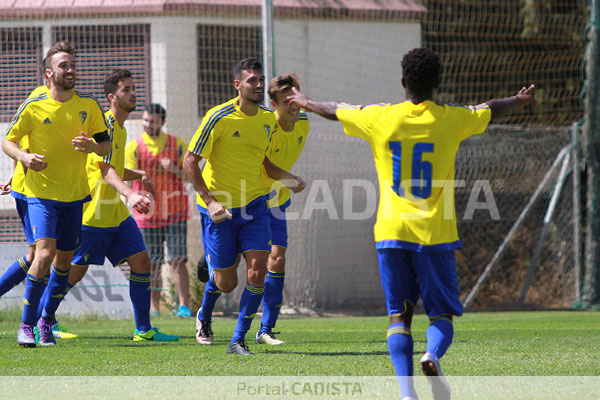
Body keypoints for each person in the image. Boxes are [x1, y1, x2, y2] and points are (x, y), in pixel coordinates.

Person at [287, 48, 537, 400]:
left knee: (398, 318)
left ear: (403, 82)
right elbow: (490, 107)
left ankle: (407, 393)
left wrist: (304, 100)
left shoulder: (380, 117)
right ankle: (432, 355)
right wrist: (518, 99)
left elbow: (334, 109)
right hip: (435, 235)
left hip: (391, 233)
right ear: (438, 84)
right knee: (442, 316)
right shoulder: (452, 118)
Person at [46, 69, 178, 343]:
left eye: (133, 88)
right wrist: (131, 195)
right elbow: (104, 169)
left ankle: (143, 329)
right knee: (72, 273)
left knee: (142, 263)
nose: (133, 93)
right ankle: (42, 319)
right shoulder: (103, 125)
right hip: (92, 213)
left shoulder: (119, 128)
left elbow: (114, 168)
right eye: (127, 89)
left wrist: (139, 175)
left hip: (115, 214)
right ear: (112, 97)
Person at [183, 57, 305, 355]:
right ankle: (205, 310)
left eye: (261, 80)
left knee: (258, 270)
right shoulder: (218, 117)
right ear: (237, 85)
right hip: (220, 211)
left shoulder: (267, 119)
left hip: (255, 206)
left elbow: (262, 161)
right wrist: (210, 201)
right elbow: (189, 161)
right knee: (226, 282)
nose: (259, 85)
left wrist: (287, 177)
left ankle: (238, 339)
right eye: (252, 80)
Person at [2, 41, 111, 347]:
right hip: (40, 194)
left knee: (64, 262)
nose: (71, 70)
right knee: (44, 253)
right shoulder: (33, 106)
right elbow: (8, 141)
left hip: (75, 196)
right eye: (64, 65)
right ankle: (25, 325)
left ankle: (46, 319)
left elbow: (106, 145)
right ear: (49, 74)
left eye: (73, 65)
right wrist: (23, 160)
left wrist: (93, 147)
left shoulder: (88, 107)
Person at [254, 73, 310, 345]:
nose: (295, 104)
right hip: (251, 198)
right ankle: (204, 314)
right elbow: (262, 163)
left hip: (277, 200)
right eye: (288, 100)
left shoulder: (305, 123)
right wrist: (288, 178)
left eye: (297, 96)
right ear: (274, 104)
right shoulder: (266, 127)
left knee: (277, 257)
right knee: (231, 268)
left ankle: (266, 329)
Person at [125, 104, 192, 318]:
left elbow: (190, 177)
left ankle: (184, 306)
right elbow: (123, 176)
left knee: (178, 260)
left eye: (152, 121)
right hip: (146, 214)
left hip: (175, 211)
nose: (147, 125)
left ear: (162, 122)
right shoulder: (134, 147)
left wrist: (172, 167)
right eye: (145, 120)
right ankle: (154, 308)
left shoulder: (178, 145)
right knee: (151, 263)